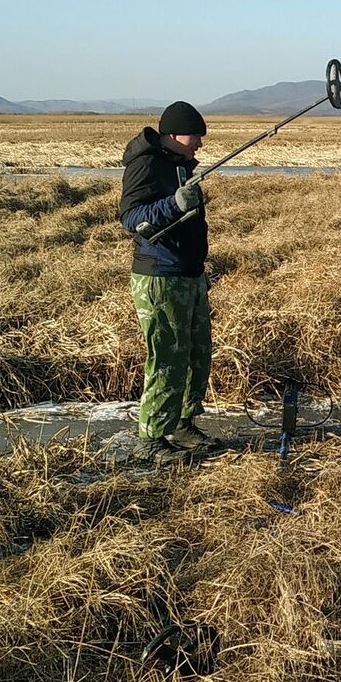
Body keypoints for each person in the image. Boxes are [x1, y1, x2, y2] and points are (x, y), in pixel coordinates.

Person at [116, 101, 215, 464]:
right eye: (195, 136)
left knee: (196, 354)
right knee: (167, 359)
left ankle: (183, 424)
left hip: (190, 275)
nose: (200, 144)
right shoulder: (146, 164)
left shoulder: (182, 165)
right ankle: (152, 440)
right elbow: (131, 218)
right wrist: (174, 204)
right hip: (159, 276)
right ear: (173, 135)